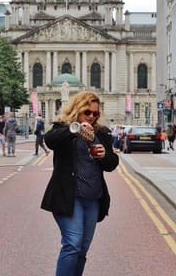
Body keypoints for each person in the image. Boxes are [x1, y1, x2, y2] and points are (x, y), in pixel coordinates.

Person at [41, 91, 119, 276]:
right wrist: (75, 128)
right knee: (72, 244)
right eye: (87, 112)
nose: (91, 117)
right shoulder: (64, 129)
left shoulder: (101, 133)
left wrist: (104, 155)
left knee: (82, 249)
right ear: (77, 110)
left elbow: (111, 164)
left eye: (95, 114)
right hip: (69, 197)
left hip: (92, 199)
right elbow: (50, 140)